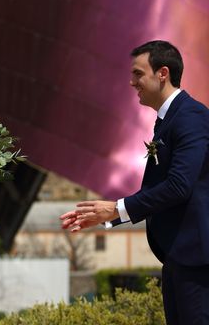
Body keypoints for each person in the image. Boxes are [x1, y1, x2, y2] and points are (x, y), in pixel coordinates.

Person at [60, 40, 209, 324]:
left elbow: (179, 185)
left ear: (162, 73)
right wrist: (107, 215)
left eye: (138, 74)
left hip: (198, 260)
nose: (132, 82)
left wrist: (116, 209)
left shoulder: (190, 117)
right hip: (179, 258)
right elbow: (159, 189)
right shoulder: (168, 119)